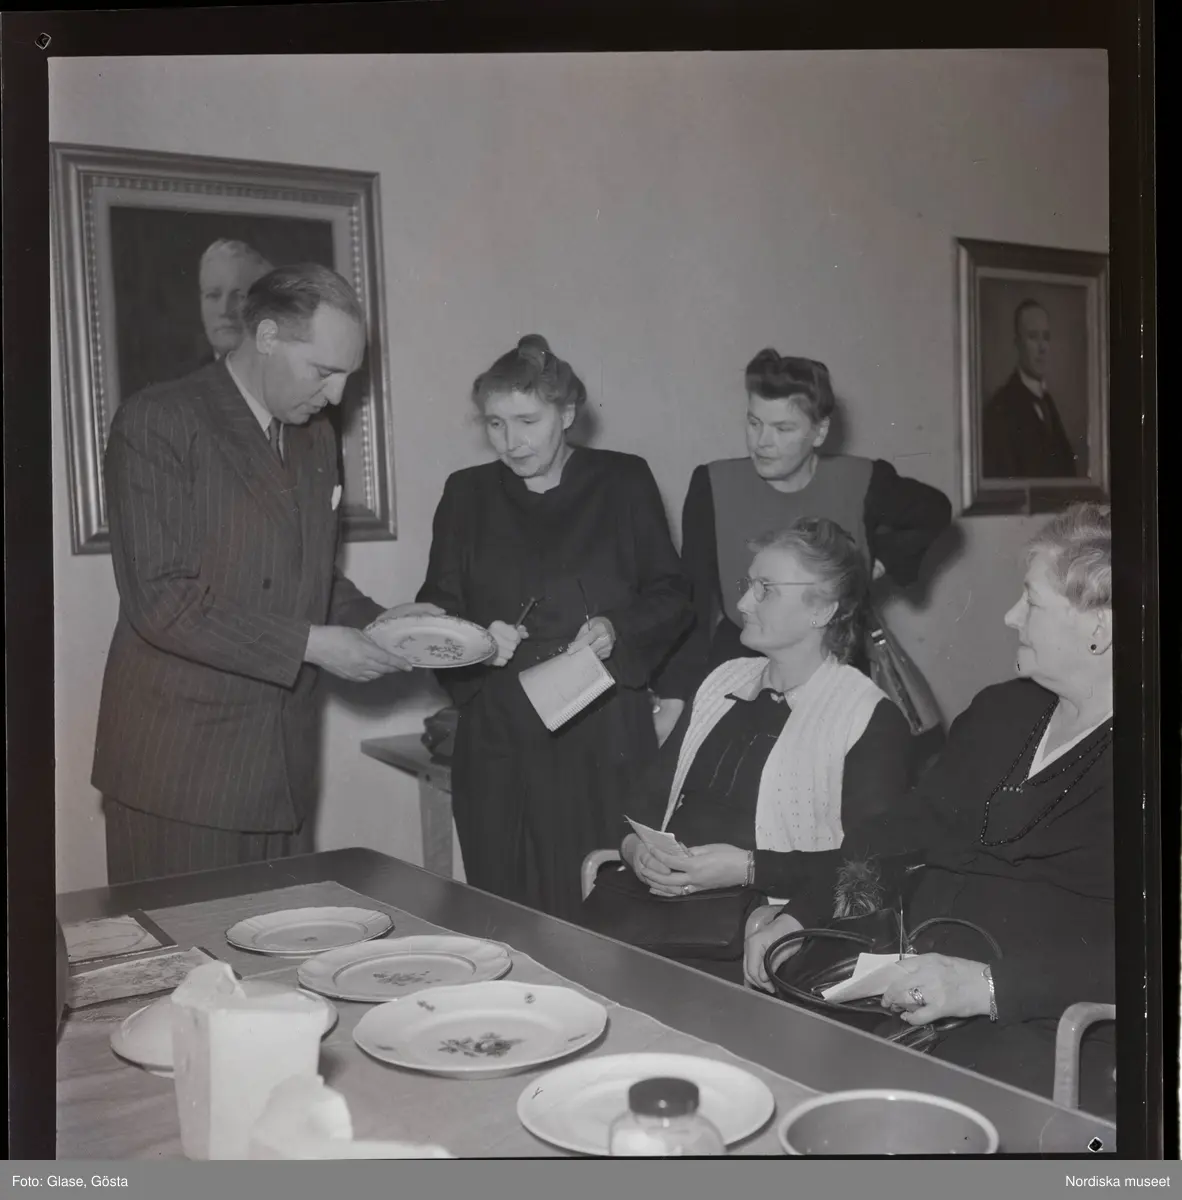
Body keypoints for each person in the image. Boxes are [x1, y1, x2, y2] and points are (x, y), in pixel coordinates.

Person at [744, 503, 1113, 1107]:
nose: (1010, 616)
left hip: (1041, 1024)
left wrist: (989, 987)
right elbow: (896, 835)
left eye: (1032, 602)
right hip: (907, 989)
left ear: (1099, 627)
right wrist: (802, 915)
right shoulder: (1002, 710)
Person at [93, 263, 441, 883]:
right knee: (186, 945)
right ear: (268, 336)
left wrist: (385, 625)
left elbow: (311, 578)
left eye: (347, 376)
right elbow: (162, 601)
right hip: (179, 777)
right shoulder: (159, 420)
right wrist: (314, 645)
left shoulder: (313, 438)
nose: (337, 396)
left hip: (282, 771)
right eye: (324, 371)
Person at [416, 334, 692, 922]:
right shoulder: (466, 494)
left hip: (603, 732)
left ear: (567, 414)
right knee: (506, 914)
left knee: (608, 915)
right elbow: (435, 613)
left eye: (527, 421)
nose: (510, 441)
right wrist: (478, 640)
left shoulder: (623, 481)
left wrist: (617, 628)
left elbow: (673, 595)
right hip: (501, 736)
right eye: (495, 424)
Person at [582, 519, 912, 983]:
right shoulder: (723, 682)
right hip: (654, 914)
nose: (741, 604)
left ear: (822, 610)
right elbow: (640, 804)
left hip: (756, 934)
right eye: (748, 585)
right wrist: (637, 851)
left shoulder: (866, 715)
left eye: (765, 590)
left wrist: (748, 868)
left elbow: (870, 870)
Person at [653, 349, 951, 740]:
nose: (762, 442)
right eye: (754, 422)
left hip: (838, 667)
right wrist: (675, 697)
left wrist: (875, 562)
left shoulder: (861, 479)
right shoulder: (713, 485)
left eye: (783, 428)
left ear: (820, 431)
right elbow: (691, 604)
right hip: (744, 665)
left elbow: (935, 509)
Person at [981, 299, 1079, 479]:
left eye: (1046, 337)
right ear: (1017, 343)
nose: (1042, 347)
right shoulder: (999, 409)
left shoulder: (1047, 404)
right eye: (1033, 337)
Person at [197, 239, 274, 364]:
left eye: (239, 296)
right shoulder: (183, 375)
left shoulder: (292, 373)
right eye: (213, 295)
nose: (224, 310)